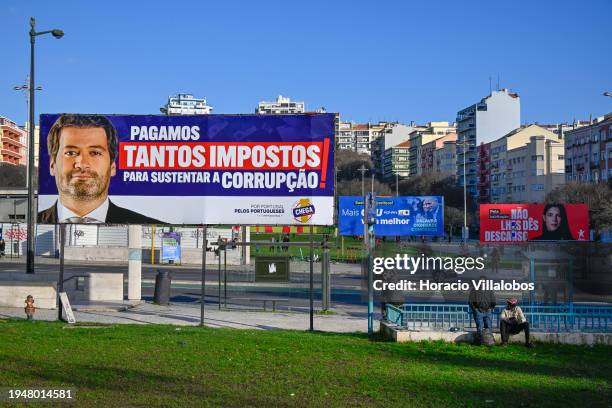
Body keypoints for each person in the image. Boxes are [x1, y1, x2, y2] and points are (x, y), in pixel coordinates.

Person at [37, 114, 164, 224]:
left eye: (95, 153)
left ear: (112, 166)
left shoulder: (148, 225)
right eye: (70, 153)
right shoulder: (34, 226)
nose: (82, 164)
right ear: (52, 164)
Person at [469, 275, 496, 345]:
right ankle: (480, 342)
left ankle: (489, 342)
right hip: (479, 311)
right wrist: (475, 309)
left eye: (484, 282)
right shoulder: (474, 290)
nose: (482, 283)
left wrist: (491, 308)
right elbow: (470, 301)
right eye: (481, 282)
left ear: (486, 282)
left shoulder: (489, 290)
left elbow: (493, 300)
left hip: (488, 311)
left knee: (488, 327)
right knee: (480, 327)